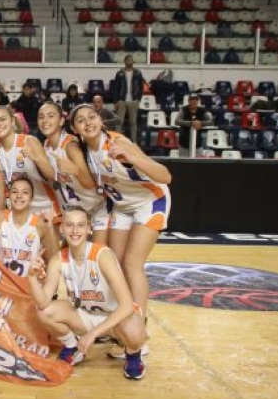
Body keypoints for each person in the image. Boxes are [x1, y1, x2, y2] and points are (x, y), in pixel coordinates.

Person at [70, 104, 171, 358]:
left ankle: (140, 334)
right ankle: (120, 326)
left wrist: (134, 158)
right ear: (75, 129)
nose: (88, 122)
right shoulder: (86, 151)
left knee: (132, 264)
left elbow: (165, 176)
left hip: (151, 200)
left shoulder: (119, 142)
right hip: (123, 206)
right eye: (81, 120)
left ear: (100, 119)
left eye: (92, 117)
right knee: (113, 264)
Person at [25, 207, 148, 380]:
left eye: (81, 225)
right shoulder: (58, 259)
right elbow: (43, 303)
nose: (75, 231)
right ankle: (71, 346)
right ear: (62, 229)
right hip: (85, 316)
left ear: (89, 229)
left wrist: (92, 334)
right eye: (69, 225)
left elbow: (127, 305)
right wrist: (31, 277)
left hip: (115, 319)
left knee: (135, 330)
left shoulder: (102, 255)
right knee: (44, 312)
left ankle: (133, 355)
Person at [38, 102, 109, 244]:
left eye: (51, 116)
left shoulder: (70, 146)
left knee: (98, 256)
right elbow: (53, 178)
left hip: (97, 207)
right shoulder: (46, 145)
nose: (45, 120)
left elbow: (89, 183)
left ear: (61, 120)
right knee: (70, 259)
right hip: (75, 211)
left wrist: (74, 170)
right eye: (41, 117)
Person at [0, 178, 58, 277]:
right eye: (14, 191)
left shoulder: (40, 226)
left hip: (27, 287)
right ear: (9, 195)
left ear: (31, 198)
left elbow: (53, 262)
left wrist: (51, 229)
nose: (19, 196)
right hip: (3, 284)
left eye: (25, 192)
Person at [0, 106, 59, 218]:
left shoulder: (29, 141)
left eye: (2, 119)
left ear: (12, 121)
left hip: (43, 207)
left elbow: (53, 176)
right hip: (17, 208)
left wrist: (37, 159)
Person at [112, 54, 145, 142]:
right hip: (122, 100)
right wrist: (116, 101)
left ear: (133, 61)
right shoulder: (120, 73)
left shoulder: (138, 73)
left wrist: (139, 99)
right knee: (119, 122)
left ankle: (134, 141)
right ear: (125, 62)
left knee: (133, 122)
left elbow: (141, 87)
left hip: (133, 100)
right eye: (127, 60)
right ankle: (116, 140)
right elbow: (115, 88)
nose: (129, 62)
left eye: (131, 60)